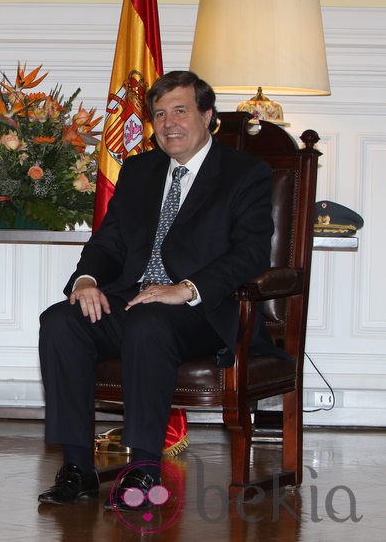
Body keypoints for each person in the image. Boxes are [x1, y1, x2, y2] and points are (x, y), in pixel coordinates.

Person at [37, 70, 277, 510]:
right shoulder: (140, 170)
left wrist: (185, 288)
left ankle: (144, 471)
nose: (169, 123)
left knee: (149, 322)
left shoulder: (245, 174)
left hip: (202, 310)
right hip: (132, 298)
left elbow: (251, 254)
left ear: (209, 117)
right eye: (160, 114)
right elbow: (109, 242)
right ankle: (77, 467)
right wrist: (86, 280)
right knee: (60, 321)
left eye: (181, 111)